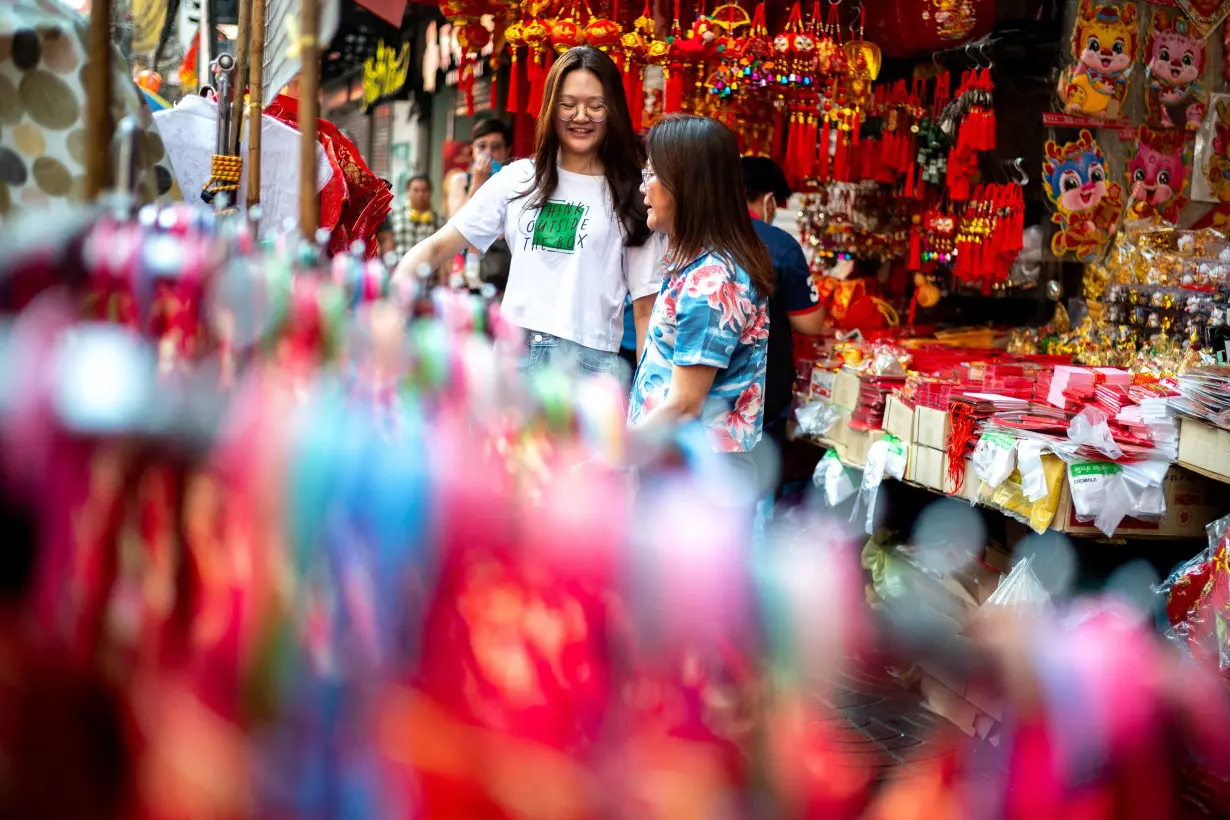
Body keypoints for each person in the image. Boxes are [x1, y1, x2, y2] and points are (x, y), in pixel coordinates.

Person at [395, 46, 664, 375]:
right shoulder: (518, 179)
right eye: (568, 105)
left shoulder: (633, 194)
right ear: (551, 108)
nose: (581, 117)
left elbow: (645, 307)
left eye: (595, 106)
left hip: (589, 367)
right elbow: (438, 246)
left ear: (614, 112)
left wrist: (645, 398)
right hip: (514, 357)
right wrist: (387, 303)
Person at [629, 114, 775, 469]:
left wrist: (611, 457)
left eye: (651, 175)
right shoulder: (700, 264)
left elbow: (683, 405)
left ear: (685, 184)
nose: (642, 188)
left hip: (697, 474)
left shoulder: (710, 282)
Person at [741, 156, 826, 450]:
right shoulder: (780, 246)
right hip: (760, 393)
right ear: (768, 200)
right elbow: (810, 322)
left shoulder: (697, 234)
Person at [465, 118, 514, 293]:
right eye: (482, 146)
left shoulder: (516, 182)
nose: (488, 153)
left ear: (507, 150)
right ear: (472, 150)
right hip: (471, 271)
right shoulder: (459, 180)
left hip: (505, 271)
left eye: (495, 147)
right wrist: (477, 182)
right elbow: (460, 223)